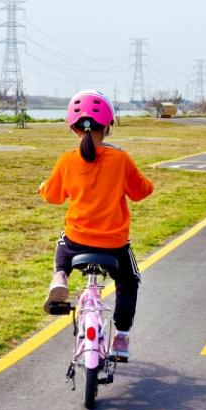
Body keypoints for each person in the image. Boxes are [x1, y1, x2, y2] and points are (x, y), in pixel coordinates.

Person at [38, 90, 154, 360]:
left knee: (62, 245)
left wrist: (43, 188)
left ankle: (60, 277)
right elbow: (140, 192)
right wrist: (148, 184)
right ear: (108, 127)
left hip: (77, 241)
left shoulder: (67, 160)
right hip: (114, 245)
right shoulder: (121, 159)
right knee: (129, 282)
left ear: (73, 128)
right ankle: (122, 338)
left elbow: (53, 196)